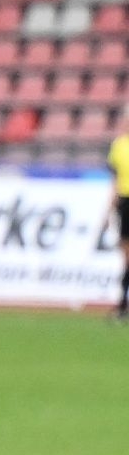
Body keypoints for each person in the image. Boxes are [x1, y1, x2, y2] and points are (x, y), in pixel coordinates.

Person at [109, 121, 128, 320]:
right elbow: (114, 180)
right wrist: (110, 209)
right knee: (126, 257)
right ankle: (122, 304)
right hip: (125, 201)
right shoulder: (119, 146)